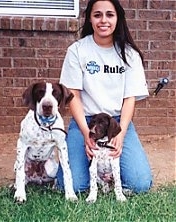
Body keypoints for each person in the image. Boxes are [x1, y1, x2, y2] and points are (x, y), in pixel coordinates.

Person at [57, 0, 152, 194]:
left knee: (140, 184)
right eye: (97, 15)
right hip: (86, 121)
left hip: (117, 123)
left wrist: (121, 133)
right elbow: (73, 95)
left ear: (118, 18)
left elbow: (129, 99)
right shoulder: (77, 51)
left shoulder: (129, 54)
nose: (103, 20)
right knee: (74, 185)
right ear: (90, 19)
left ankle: (111, 174)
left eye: (110, 15)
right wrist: (86, 133)